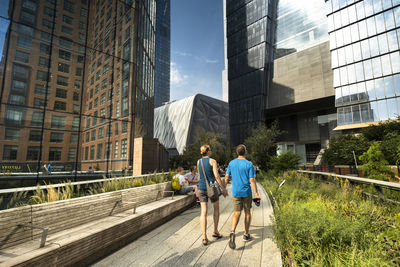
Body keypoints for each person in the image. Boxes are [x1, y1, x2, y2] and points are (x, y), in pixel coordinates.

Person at [224, 144, 260, 249]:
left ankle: (232, 231)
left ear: (237, 152)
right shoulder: (249, 164)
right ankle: (245, 234)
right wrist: (256, 193)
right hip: (246, 192)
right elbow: (252, 180)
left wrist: (223, 188)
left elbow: (226, 177)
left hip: (236, 192)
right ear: (245, 152)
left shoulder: (231, 163)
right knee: (247, 212)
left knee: (236, 212)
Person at [197, 145, 228, 246]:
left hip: (201, 187)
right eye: (210, 149)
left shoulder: (199, 162)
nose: (211, 151)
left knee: (203, 212)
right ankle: (215, 231)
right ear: (208, 151)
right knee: (216, 209)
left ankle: (204, 237)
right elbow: (216, 176)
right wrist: (223, 188)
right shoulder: (212, 161)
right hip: (212, 186)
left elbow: (200, 175)